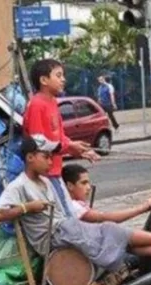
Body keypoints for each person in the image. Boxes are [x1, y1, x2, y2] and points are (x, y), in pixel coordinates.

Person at [0, 135, 151, 273]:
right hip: (52, 236)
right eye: (45, 157)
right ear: (30, 158)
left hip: (65, 228)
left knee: (111, 238)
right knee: (110, 230)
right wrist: (28, 207)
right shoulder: (19, 186)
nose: (50, 161)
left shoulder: (46, 181)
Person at [24, 59, 100, 219]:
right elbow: (38, 142)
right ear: (44, 80)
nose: (63, 79)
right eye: (58, 75)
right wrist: (67, 147)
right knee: (66, 219)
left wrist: (78, 149)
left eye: (63, 75)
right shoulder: (37, 104)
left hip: (55, 171)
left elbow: (59, 136)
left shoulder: (52, 102)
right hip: (46, 173)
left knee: (69, 216)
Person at [62, 163, 151, 223]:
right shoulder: (74, 206)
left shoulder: (77, 204)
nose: (88, 187)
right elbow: (106, 217)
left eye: (88, 183)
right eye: (83, 183)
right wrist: (144, 207)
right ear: (70, 186)